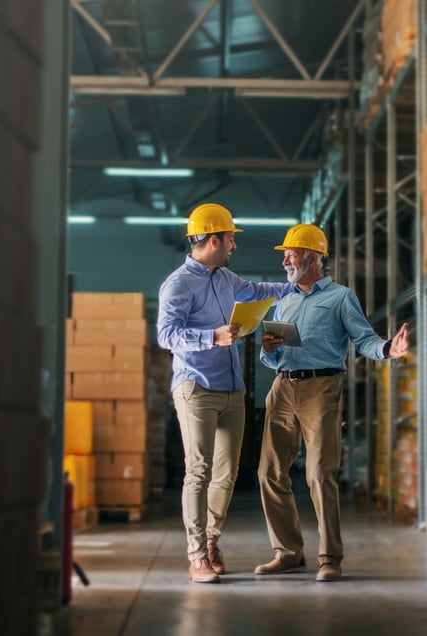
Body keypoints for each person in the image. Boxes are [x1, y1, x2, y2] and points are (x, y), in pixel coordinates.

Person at [254, 224, 410, 582]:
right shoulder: (284, 299)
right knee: (268, 472)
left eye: (290, 253)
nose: (285, 260)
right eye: (285, 254)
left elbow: (365, 340)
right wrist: (268, 352)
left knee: (319, 473)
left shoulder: (341, 297)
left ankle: (330, 557)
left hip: (321, 389)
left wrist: (389, 349)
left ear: (313, 257)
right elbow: (272, 356)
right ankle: (288, 552)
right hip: (282, 388)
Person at [157, 203, 294, 584]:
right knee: (198, 471)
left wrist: (296, 286)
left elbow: (257, 290)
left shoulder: (226, 278)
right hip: (196, 387)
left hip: (232, 388)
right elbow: (166, 336)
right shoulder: (178, 284)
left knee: (227, 473)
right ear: (213, 239)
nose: (234, 245)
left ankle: (212, 542)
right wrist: (212, 336)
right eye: (231, 238)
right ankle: (197, 554)